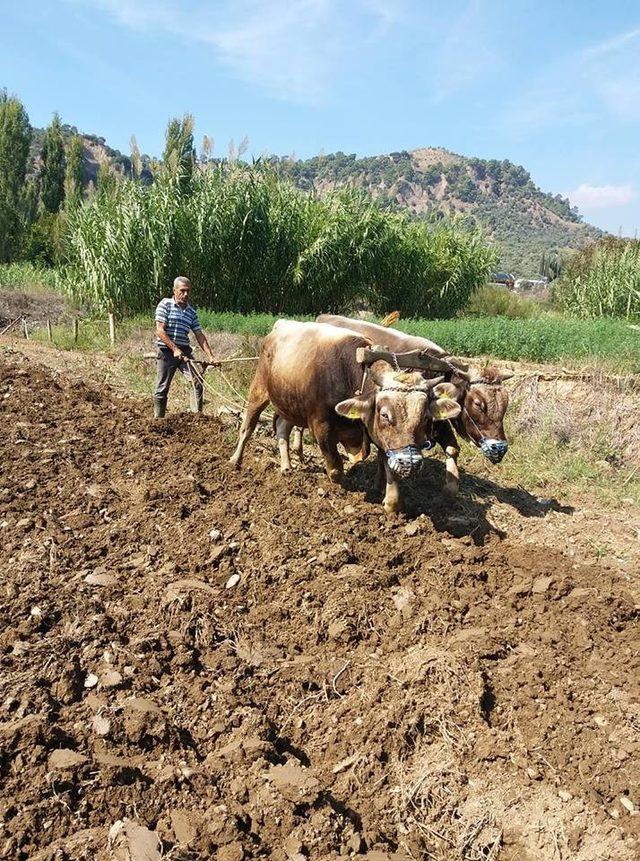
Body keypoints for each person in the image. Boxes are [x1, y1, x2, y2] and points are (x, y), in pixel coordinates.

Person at [153, 276, 216, 418]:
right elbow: (160, 330)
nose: (186, 294)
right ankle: (158, 419)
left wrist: (211, 356)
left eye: (188, 291)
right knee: (162, 387)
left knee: (197, 382)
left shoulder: (191, 312)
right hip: (166, 351)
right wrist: (174, 349)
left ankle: (197, 419)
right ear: (174, 290)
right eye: (182, 291)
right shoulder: (165, 305)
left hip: (185, 352)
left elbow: (199, 334)